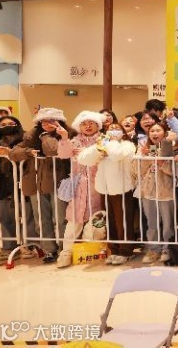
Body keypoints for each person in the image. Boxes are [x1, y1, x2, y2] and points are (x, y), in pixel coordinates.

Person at [8, 108, 71, 263]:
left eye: (51, 121)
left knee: (60, 218)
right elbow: (13, 153)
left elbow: (52, 151)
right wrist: (29, 152)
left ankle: (64, 249)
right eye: (43, 121)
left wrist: (46, 136)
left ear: (59, 122)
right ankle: (49, 250)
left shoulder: (67, 134)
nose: (46, 124)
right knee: (41, 219)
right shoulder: (31, 135)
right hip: (35, 182)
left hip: (58, 181)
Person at [77, 122, 137, 265]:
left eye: (117, 129)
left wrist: (111, 142)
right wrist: (99, 147)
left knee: (123, 221)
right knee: (110, 221)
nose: (113, 131)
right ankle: (114, 250)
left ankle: (126, 251)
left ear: (123, 132)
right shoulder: (103, 145)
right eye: (110, 129)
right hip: (105, 189)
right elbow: (83, 159)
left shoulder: (127, 145)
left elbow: (117, 155)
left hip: (122, 188)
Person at [56, 111, 107, 268]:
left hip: (98, 185)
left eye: (91, 123)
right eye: (84, 124)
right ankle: (66, 252)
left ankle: (91, 251)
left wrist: (88, 154)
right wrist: (64, 138)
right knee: (73, 221)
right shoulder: (74, 141)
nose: (88, 126)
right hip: (78, 187)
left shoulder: (104, 140)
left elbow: (106, 156)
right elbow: (63, 155)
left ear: (98, 125)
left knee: (97, 220)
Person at [0, 115, 37, 264]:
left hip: (24, 181)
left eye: (11, 123)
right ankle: (8, 247)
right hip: (3, 185)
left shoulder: (26, 139)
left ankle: (29, 245)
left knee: (28, 215)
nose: (8, 126)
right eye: (3, 125)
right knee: (5, 217)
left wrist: (12, 153)